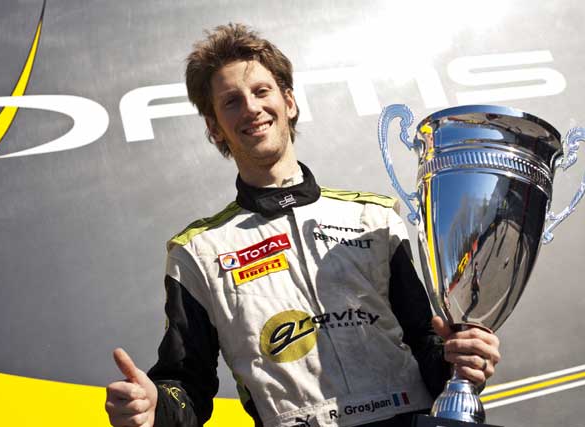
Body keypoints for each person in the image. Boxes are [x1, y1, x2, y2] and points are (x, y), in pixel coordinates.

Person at [104, 23, 501, 427]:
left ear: (289, 102)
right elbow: (186, 384)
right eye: (231, 102)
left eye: (261, 91)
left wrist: (463, 362)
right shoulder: (198, 252)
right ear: (213, 127)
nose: (251, 108)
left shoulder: (375, 217)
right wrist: (155, 407)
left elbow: (425, 344)